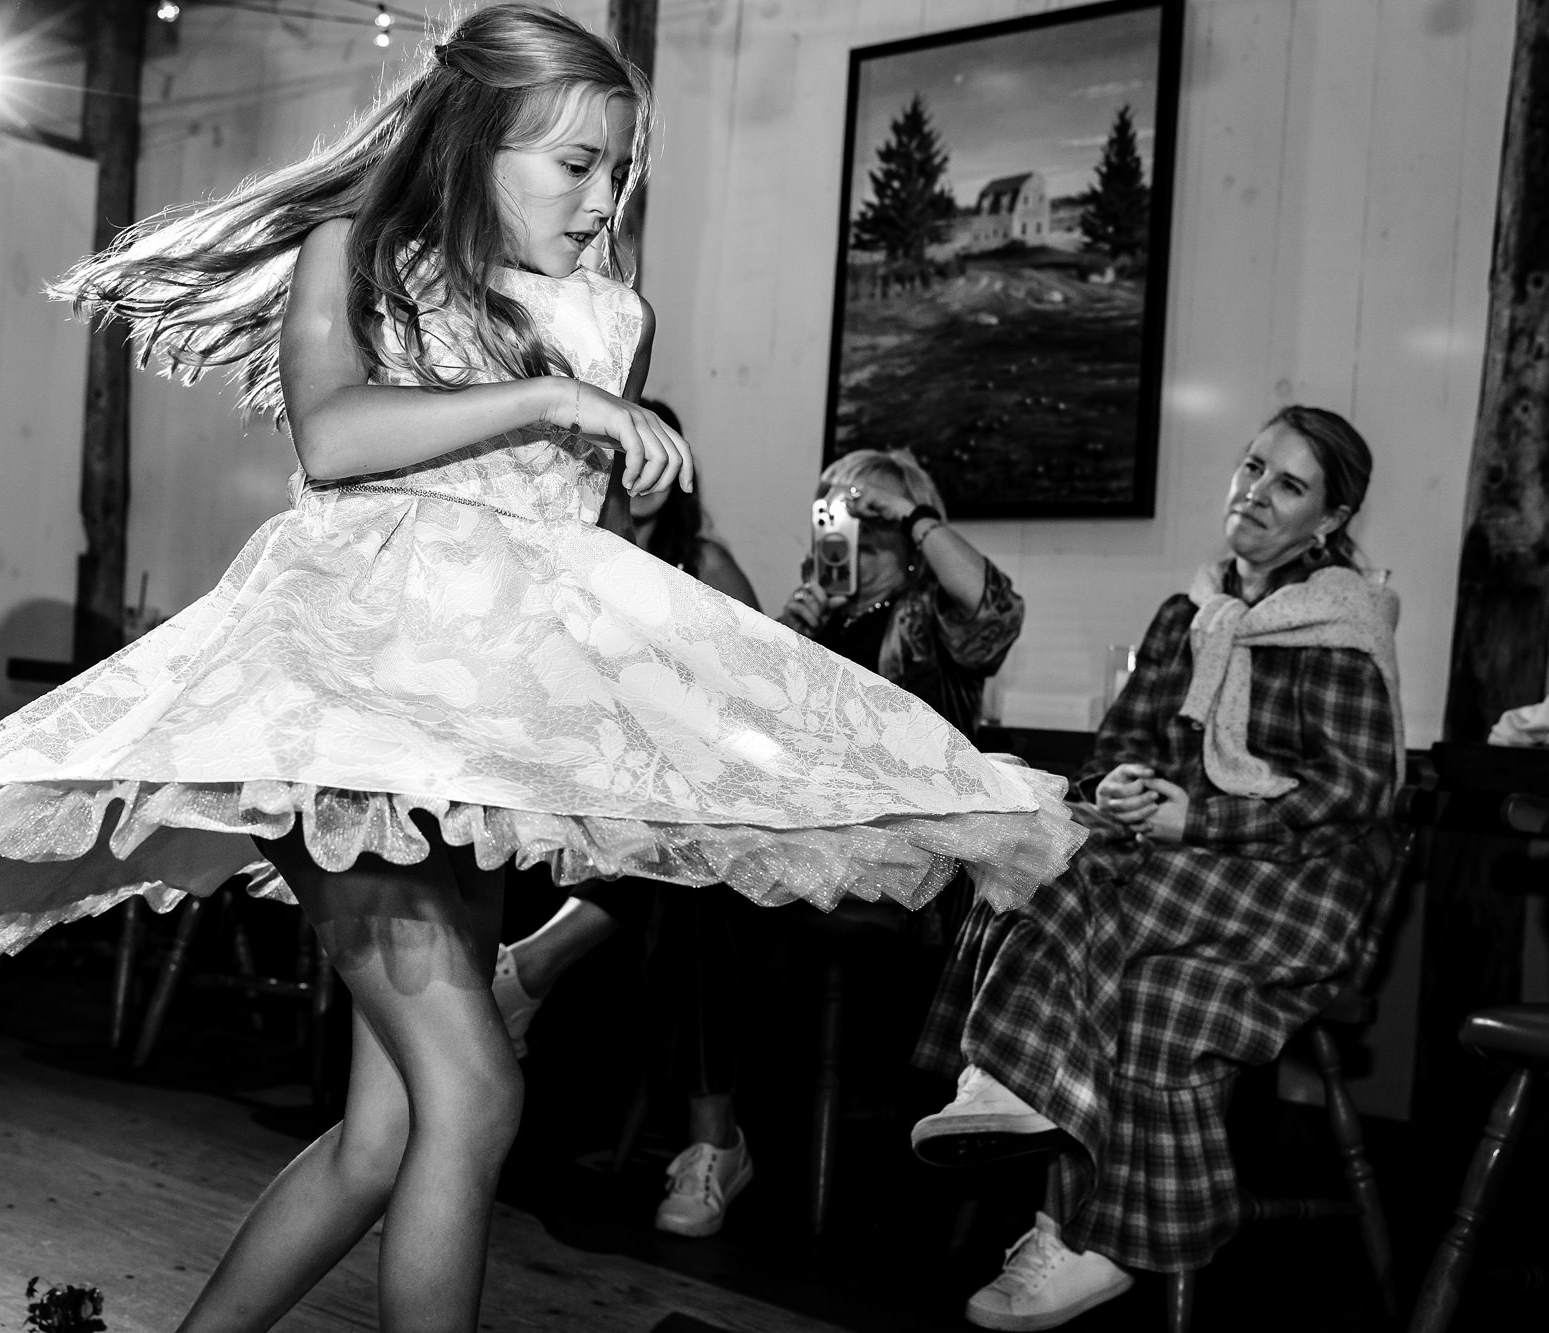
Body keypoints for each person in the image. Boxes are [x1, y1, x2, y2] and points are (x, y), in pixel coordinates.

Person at [0, 9, 1085, 1331]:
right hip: (349, 714)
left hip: (483, 736)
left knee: (385, 1135)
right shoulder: (364, 257)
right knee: (479, 1093)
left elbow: (563, 549)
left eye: (620, 170)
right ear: (475, 139)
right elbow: (334, 438)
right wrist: (552, 400)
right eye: (575, 164)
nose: (603, 197)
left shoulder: (616, 316)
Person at [911, 405, 1401, 1330]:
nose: (1255, 492)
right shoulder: (1191, 613)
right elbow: (1120, 746)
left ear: (1331, 520)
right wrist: (1125, 784)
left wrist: (1198, 816)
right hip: (1180, 879)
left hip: (1299, 885)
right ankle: (1083, 1232)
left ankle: (1015, 1074)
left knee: (1081, 872)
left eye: (1289, 484)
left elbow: (1360, 792)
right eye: (1252, 466)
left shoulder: (1336, 623)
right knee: (1065, 864)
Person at [493, 397, 764, 1238]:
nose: (634, 472)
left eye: (650, 452)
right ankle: (710, 1141)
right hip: (595, 791)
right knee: (656, 851)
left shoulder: (702, 559)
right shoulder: (573, 563)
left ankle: (527, 970)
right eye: (613, 453)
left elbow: (764, 686)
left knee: (687, 860)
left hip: (712, 794)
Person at [778, 447, 1024, 737]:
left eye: (877, 513)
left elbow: (997, 610)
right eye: (847, 512)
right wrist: (786, 638)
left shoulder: (933, 614)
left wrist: (908, 512)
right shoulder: (815, 616)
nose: (862, 526)